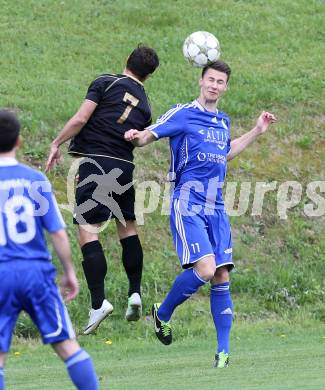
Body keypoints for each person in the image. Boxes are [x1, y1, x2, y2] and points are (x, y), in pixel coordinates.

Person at [124, 60, 276, 368]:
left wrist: (257, 131)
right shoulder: (183, 114)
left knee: (221, 274)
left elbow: (226, 151)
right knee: (206, 269)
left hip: (216, 205)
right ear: (200, 80)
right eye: (211, 80)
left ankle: (222, 352)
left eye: (220, 82)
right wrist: (135, 137)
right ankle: (163, 312)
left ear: (225, 87)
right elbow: (149, 134)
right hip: (188, 201)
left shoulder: (222, 121)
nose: (215, 85)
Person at [46, 45, 159, 334]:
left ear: (126, 61)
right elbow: (138, 138)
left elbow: (81, 118)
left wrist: (56, 143)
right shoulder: (145, 104)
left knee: (87, 230)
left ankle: (98, 304)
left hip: (97, 163)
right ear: (148, 75)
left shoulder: (105, 82)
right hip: (125, 167)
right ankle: (135, 292)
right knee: (128, 228)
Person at [0, 110, 99, 389]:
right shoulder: (35, 181)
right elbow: (56, 231)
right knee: (68, 347)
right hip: (36, 274)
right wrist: (69, 271)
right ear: (19, 141)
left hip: (1, 273)